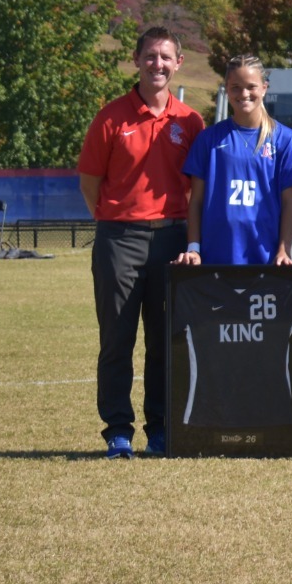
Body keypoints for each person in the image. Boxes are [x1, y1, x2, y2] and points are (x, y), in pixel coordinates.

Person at [77, 26, 203, 458]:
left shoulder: (190, 120)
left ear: (179, 63)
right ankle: (117, 430)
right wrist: (117, 219)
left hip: (172, 240)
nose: (158, 65)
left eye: (166, 57)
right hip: (120, 239)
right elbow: (90, 181)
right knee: (117, 339)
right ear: (136, 60)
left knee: (164, 340)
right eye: (150, 56)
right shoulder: (111, 116)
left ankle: (162, 429)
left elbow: (196, 189)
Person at [175, 55, 292, 268]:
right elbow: (196, 200)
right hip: (215, 259)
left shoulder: (286, 139)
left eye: (251, 87)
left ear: (264, 88)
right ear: (226, 89)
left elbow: (289, 203)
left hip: (265, 260)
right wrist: (194, 247)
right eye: (236, 87)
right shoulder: (208, 139)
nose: (244, 94)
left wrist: (283, 250)